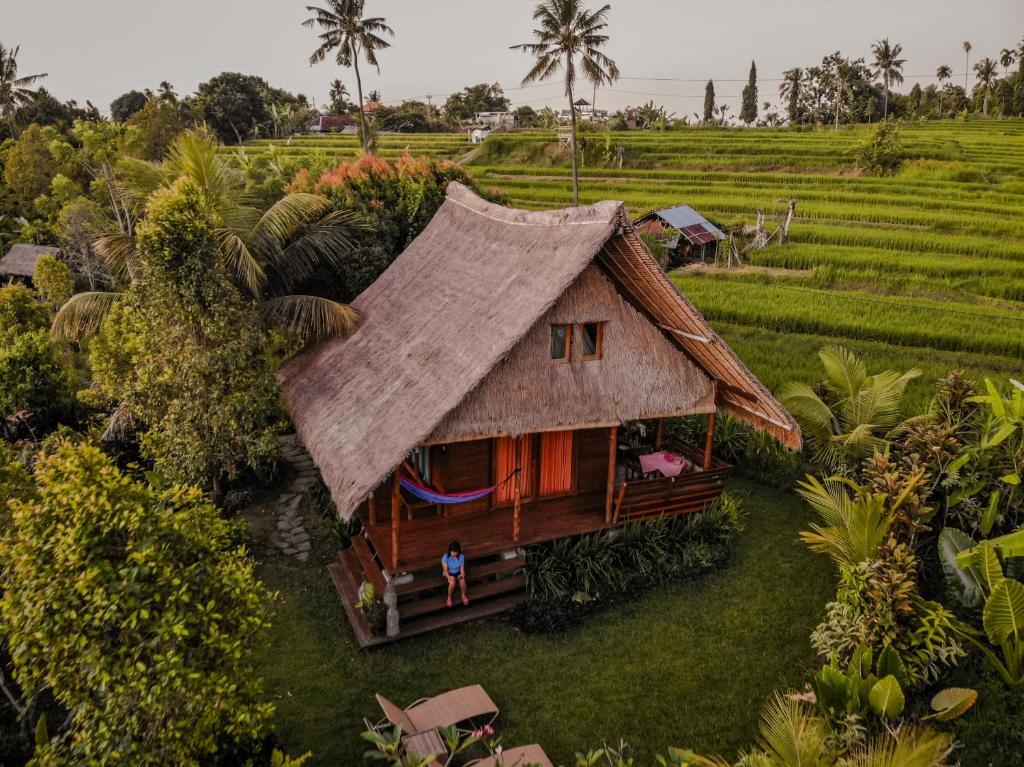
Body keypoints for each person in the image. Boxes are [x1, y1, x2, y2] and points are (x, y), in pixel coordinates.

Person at [441, 540, 468, 608]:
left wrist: (462, 575)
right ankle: (449, 597)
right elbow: (445, 570)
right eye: (453, 552)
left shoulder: (461, 556)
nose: (454, 554)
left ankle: (463, 595)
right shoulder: (445, 557)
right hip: (448, 573)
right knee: (452, 582)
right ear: (450, 551)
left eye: (456, 552)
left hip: (457, 572)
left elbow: (462, 569)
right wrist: (449, 577)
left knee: (462, 581)